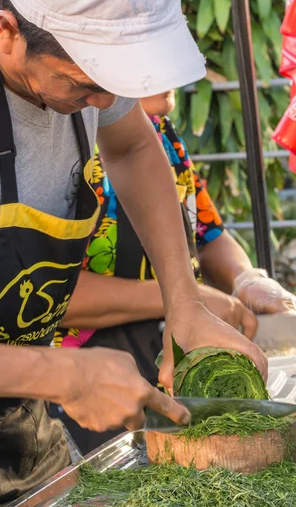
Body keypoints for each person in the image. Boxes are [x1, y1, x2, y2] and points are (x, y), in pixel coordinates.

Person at [0, 0, 266, 504]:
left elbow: (134, 148)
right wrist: (63, 373)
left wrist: (185, 304)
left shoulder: (77, 45)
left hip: (24, 408)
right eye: (83, 86)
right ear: (9, 30)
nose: (105, 101)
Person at [54, 90, 296, 453]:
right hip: (85, 390)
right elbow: (53, 294)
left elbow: (207, 234)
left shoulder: (162, 133)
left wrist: (246, 279)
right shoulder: (69, 147)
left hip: (167, 368)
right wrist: (185, 299)